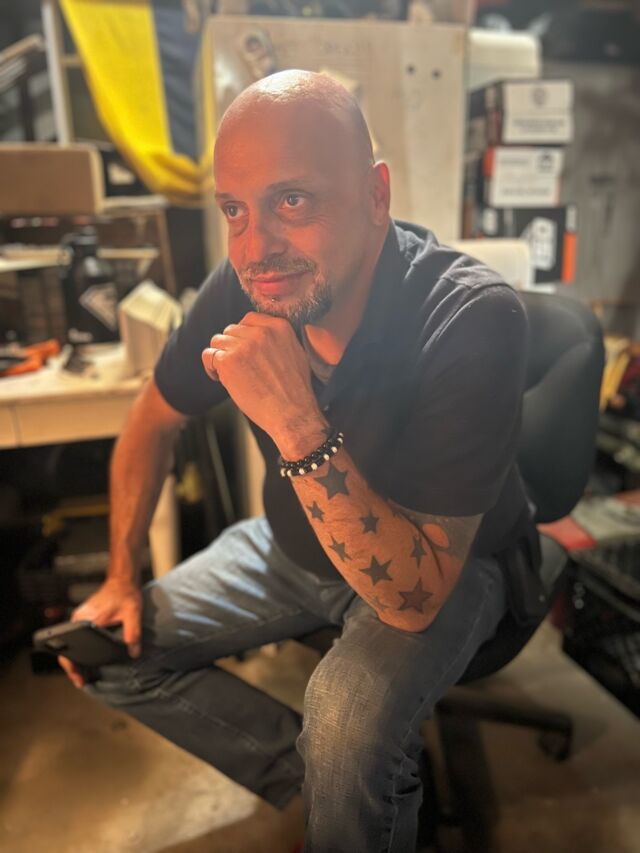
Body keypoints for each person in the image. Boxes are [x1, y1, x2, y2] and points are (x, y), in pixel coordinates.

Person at [59, 69, 544, 852]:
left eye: (293, 201)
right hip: (291, 543)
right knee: (103, 649)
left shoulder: (469, 318)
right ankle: (363, 796)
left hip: (443, 560)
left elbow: (415, 597)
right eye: (235, 211)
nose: (256, 249)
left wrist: (294, 417)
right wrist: (119, 575)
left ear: (376, 195)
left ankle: (354, 784)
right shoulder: (244, 285)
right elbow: (149, 419)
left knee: (346, 725)